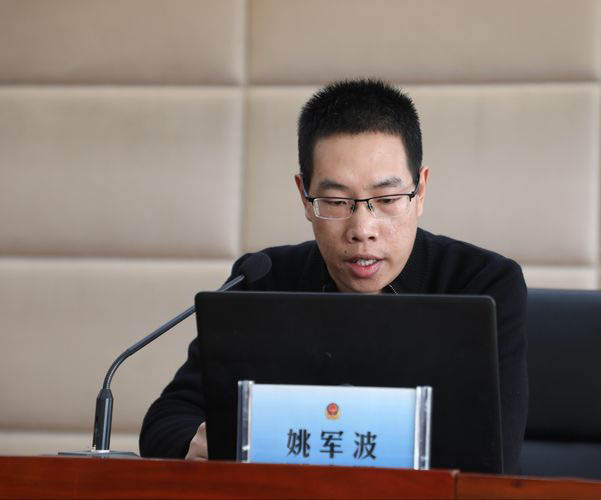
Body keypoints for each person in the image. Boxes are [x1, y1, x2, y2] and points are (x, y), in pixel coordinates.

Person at [139, 79, 528, 473]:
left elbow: (491, 456)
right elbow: (167, 420)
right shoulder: (263, 281)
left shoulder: (481, 285)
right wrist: (193, 443)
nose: (362, 229)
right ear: (304, 198)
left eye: (387, 200)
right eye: (337, 202)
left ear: (421, 190)